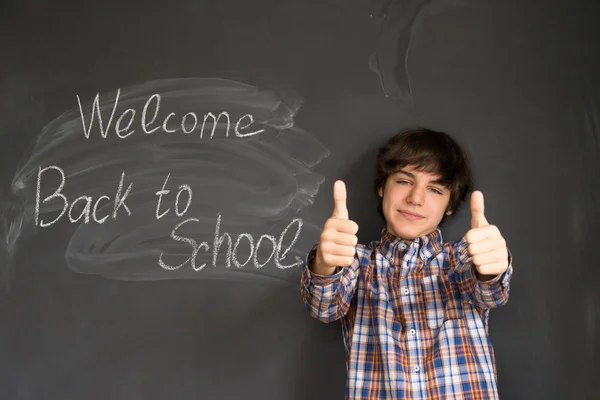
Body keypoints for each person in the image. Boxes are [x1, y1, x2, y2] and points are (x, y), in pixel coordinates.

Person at [300, 127, 513, 399]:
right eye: (403, 181)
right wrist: (324, 264)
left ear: (450, 205)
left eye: (435, 189)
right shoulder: (356, 261)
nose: (416, 199)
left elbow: (491, 292)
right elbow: (323, 306)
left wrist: (494, 266)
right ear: (381, 186)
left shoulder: (462, 257)